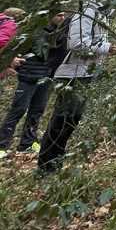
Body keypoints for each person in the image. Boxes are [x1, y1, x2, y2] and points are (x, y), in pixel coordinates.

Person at [37, 0, 116, 172]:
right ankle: (46, 166)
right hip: (71, 74)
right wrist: (106, 49)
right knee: (62, 119)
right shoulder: (86, 12)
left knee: (72, 120)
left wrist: (107, 48)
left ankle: (54, 163)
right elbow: (77, 43)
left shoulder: (103, 15)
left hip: (85, 73)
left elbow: (94, 41)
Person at [0, 12, 68, 156]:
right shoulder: (35, 31)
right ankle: (2, 145)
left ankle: (27, 143)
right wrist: (13, 64)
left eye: (63, 15)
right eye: (59, 14)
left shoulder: (59, 34)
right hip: (28, 76)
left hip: (46, 76)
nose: (61, 18)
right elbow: (18, 49)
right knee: (18, 109)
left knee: (37, 110)